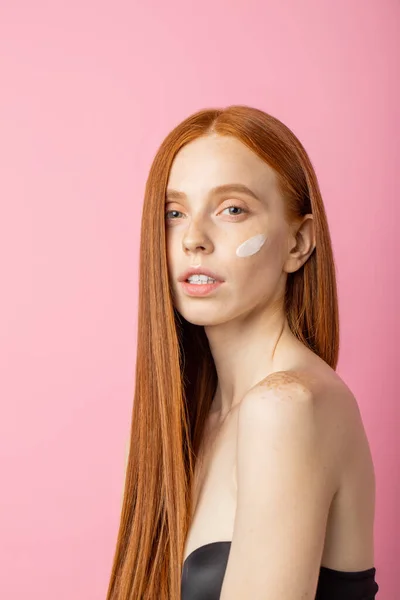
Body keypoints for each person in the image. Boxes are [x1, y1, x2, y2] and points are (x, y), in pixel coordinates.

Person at [106, 105, 379, 599]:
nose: (193, 239)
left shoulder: (287, 408)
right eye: (174, 213)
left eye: (232, 209)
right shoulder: (197, 417)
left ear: (298, 242)